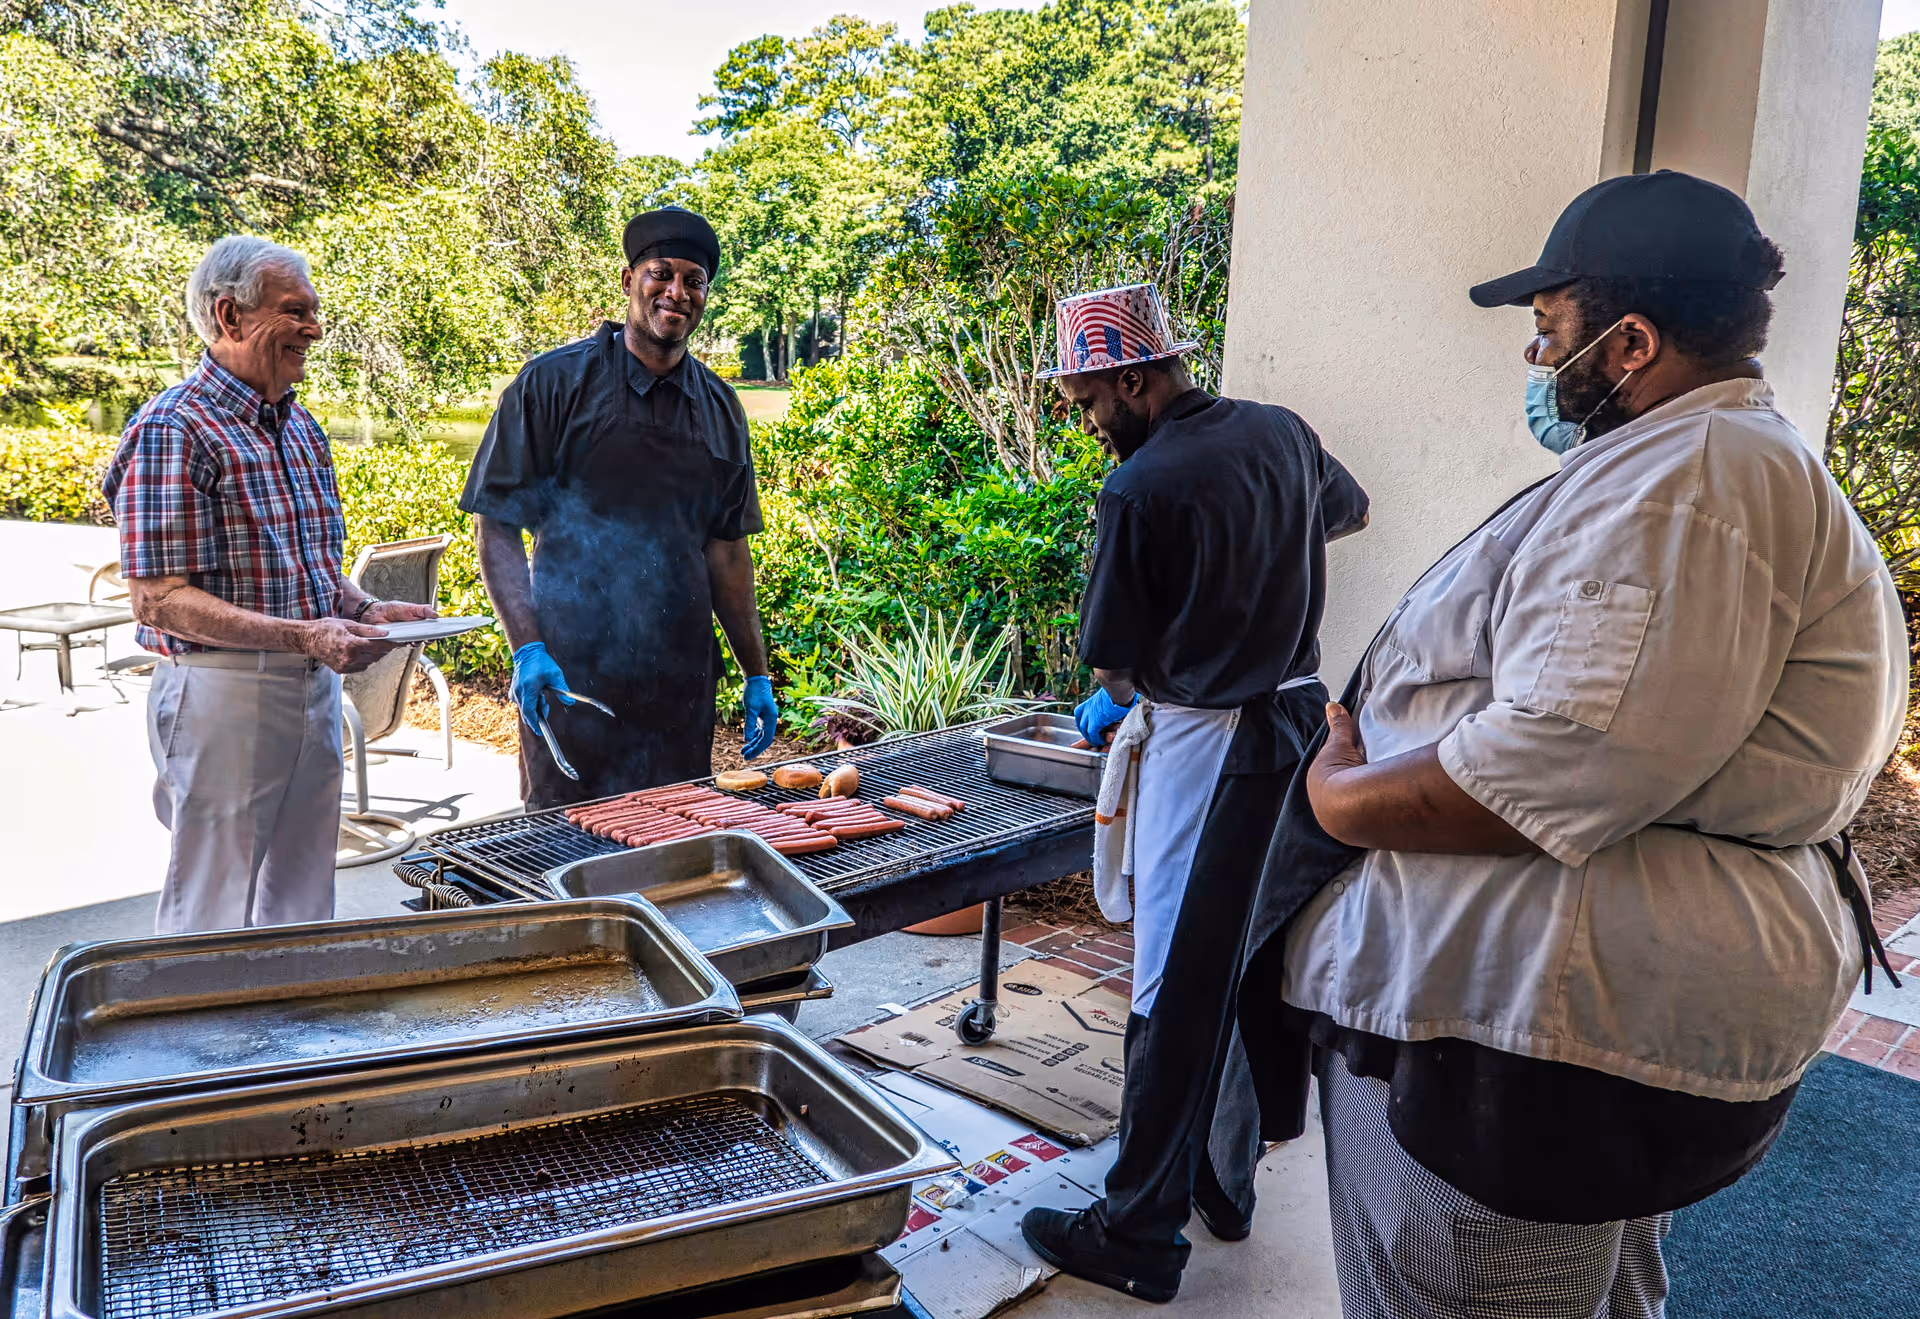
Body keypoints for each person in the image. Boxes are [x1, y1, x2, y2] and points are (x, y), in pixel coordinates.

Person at [1242, 171, 1908, 1318]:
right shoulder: (1690, 464)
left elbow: (1547, 764)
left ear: (1632, 339)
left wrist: (1342, 800)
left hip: (1532, 1043)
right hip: (1555, 1026)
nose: (1537, 362)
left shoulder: (1689, 483)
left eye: (1549, 330)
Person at [1016, 284, 1370, 1302]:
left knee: (1170, 983)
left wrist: (1159, 666)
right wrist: (1261, 565)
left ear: (1135, 376)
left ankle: (1137, 1229)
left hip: (1211, 746)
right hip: (1304, 727)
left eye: (1091, 400)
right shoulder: (1281, 432)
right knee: (1252, 961)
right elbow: (1346, 512)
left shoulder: (1140, 488)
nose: (1089, 423)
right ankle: (1225, 1179)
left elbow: (1115, 662)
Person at [103, 235, 435, 934]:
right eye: (296, 312)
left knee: (304, 896)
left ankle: (295, 1039)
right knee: (212, 906)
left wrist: (364, 606)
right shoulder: (174, 426)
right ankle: (197, 1042)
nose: (315, 330)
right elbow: (157, 599)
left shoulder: (300, 426)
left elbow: (304, 564)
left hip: (311, 688)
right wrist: (305, 634)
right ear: (229, 315)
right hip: (223, 692)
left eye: (315, 313)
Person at [461, 207, 780, 807]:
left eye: (694, 281)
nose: (676, 292)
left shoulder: (720, 409)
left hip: (679, 681)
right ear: (629, 279)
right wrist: (527, 648)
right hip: (571, 675)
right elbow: (496, 523)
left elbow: (727, 549)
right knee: (562, 852)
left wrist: (754, 671)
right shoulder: (553, 384)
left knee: (671, 848)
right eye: (661, 274)